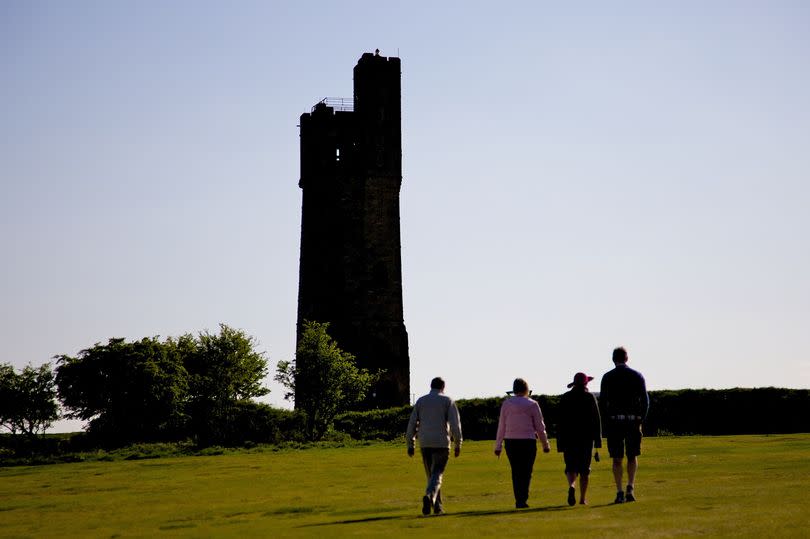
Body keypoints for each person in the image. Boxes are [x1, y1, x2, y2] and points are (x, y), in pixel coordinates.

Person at [406, 377, 463, 515]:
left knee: (432, 476)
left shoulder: (421, 401)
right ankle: (430, 496)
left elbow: (412, 423)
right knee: (437, 474)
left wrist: (410, 443)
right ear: (443, 387)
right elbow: (455, 424)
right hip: (442, 443)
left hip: (425, 442)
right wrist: (458, 443)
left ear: (430, 386)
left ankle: (437, 507)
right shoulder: (447, 401)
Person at [600, 346, 649, 504]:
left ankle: (619, 490)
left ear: (613, 359)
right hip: (633, 421)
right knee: (632, 455)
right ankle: (630, 486)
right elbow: (645, 401)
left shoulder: (607, 377)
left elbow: (602, 403)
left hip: (615, 422)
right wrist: (641, 418)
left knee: (616, 458)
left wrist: (607, 420)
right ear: (627, 358)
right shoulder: (637, 376)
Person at [494, 378, 551, 508]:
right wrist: (545, 444)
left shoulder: (507, 404)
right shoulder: (532, 404)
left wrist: (498, 446)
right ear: (526, 389)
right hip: (528, 442)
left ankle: (519, 499)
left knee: (516, 471)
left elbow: (501, 426)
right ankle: (523, 498)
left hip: (511, 442)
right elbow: (540, 427)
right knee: (526, 471)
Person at [557, 372, 602, 506]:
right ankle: (582, 498)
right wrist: (598, 441)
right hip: (586, 439)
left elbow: (560, 421)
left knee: (570, 467)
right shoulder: (590, 397)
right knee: (584, 470)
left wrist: (560, 443)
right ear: (586, 383)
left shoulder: (565, 397)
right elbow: (596, 419)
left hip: (569, 438)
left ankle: (572, 485)